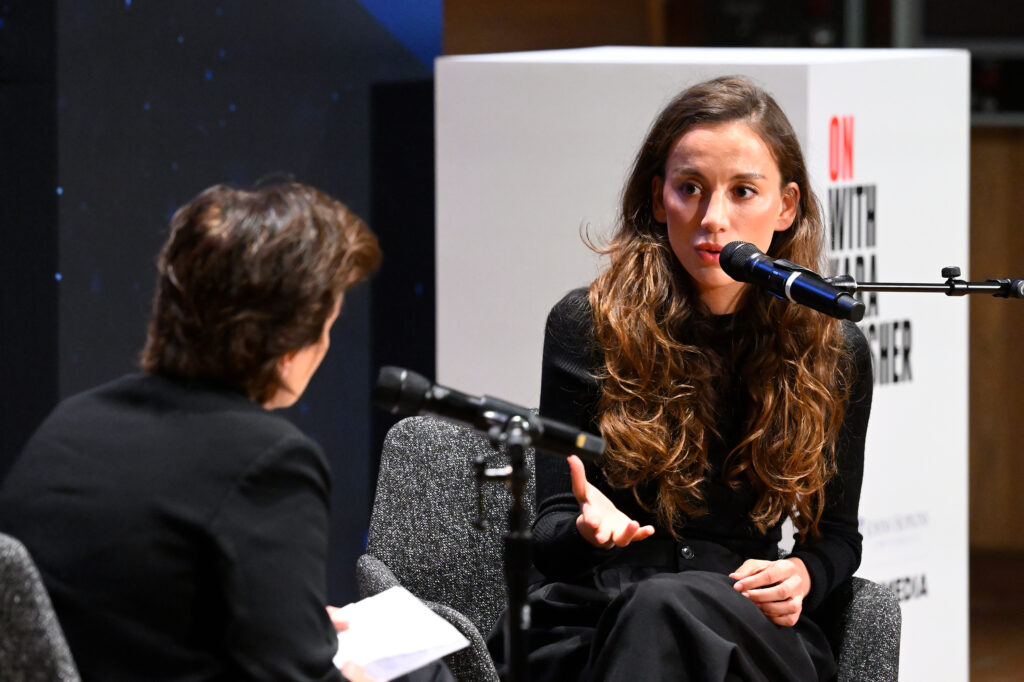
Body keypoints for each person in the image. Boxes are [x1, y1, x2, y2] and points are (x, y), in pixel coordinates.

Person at [492, 77, 874, 681]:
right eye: (689, 188)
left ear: (787, 206)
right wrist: (589, 533)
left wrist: (803, 574)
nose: (713, 219)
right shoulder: (589, 326)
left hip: (742, 623)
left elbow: (838, 536)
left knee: (663, 608)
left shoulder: (833, 350)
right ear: (657, 196)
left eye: (744, 191)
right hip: (593, 617)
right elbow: (549, 532)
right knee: (651, 611)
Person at [0, 183, 447, 682]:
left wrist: (290, 622)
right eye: (326, 325)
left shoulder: (70, 424)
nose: (325, 344)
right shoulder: (270, 461)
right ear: (287, 342)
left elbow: (131, 605)